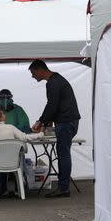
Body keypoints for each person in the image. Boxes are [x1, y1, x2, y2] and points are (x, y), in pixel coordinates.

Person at [29, 59, 81, 198]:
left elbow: (52, 105)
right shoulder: (57, 80)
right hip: (69, 120)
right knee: (63, 153)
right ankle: (63, 186)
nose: (33, 76)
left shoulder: (53, 83)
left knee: (63, 154)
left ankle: (63, 188)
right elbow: (56, 105)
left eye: (33, 73)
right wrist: (47, 121)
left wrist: (41, 122)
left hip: (66, 122)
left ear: (40, 70)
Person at [0, 109, 43, 197]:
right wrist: (40, 134)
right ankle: (18, 189)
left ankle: (3, 189)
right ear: (0, 117)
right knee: (13, 161)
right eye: (3, 113)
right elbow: (25, 138)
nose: (4, 113)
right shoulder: (10, 128)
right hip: (13, 163)